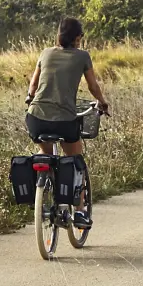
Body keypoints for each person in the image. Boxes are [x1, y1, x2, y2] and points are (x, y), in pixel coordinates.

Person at [24, 17, 111, 228]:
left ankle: (45, 189)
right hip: (65, 120)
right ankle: (80, 210)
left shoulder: (45, 53)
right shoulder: (82, 56)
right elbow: (93, 86)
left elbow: (33, 84)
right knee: (74, 161)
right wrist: (103, 102)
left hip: (35, 118)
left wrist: (29, 97)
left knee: (46, 156)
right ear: (78, 37)